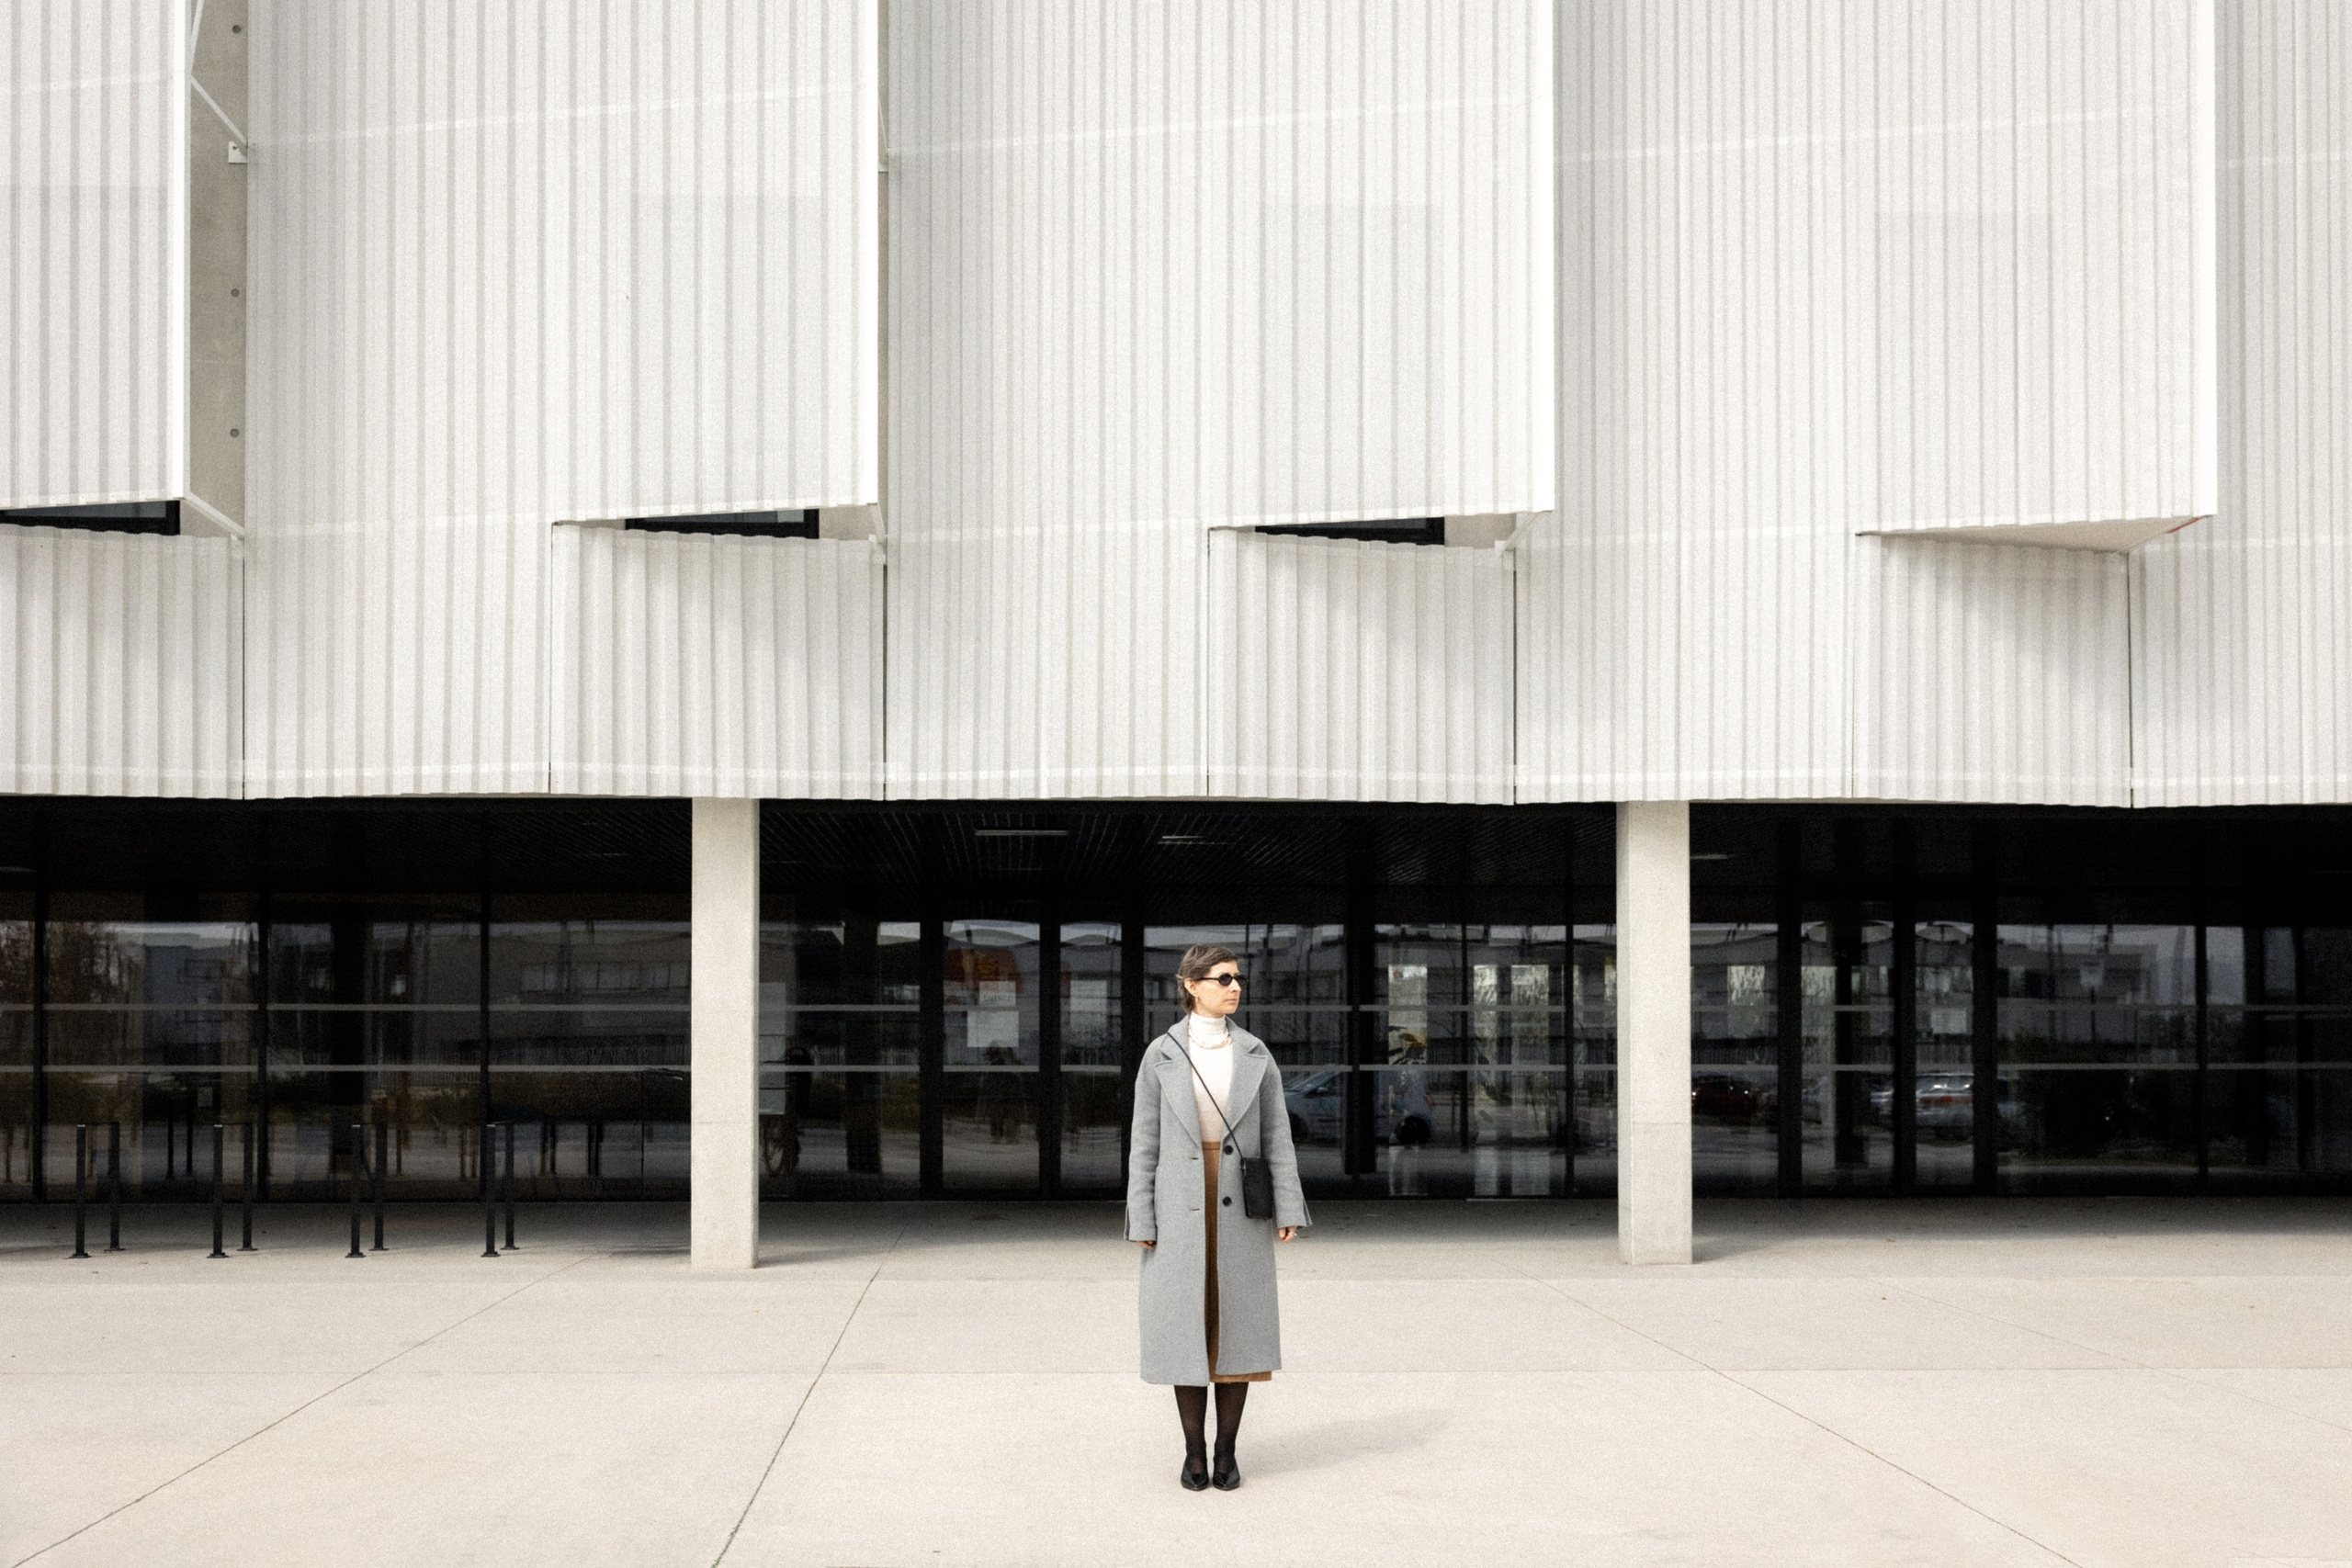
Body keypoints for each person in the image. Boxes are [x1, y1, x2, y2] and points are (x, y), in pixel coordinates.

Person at [1125, 943, 1309, 1491]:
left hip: (1241, 1203)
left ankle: (1226, 1451)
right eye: (1223, 978)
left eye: (1237, 978)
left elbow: (1277, 1136)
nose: (1234, 987)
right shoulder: (1160, 1054)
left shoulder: (1255, 1052)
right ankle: (1193, 1453)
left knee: (1238, 1327)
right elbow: (1144, 1142)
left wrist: (1289, 1205)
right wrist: (1141, 1216)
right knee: (1184, 1328)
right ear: (1191, 985)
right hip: (1177, 1203)